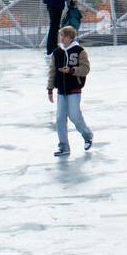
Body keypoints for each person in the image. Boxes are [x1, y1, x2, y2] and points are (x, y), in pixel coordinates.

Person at [47, 25, 93, 157]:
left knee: (74, 115)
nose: (60, 38)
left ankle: (87, 135)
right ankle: (64, 147)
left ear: (69, 37)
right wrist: (50, 89)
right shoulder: (57, 53)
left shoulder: (80, 51)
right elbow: (52, 72)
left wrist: (72, 71)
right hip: (61, 90)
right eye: (60, 35)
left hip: (74, 89)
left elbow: (86, 69)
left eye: (63, 36)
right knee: (60, 118)